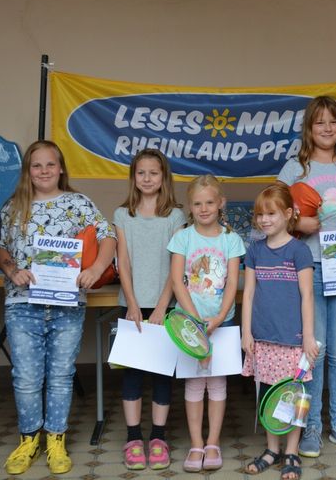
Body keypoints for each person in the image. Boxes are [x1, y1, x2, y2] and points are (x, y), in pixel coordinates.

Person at [0, 140, 116, 475]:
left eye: (50, 164)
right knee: (27, 377)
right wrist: (11, 270)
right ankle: (29, 439)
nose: (44, 171)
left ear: (61, 168)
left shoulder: (78, 203)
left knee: (61, 375)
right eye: (36, 165)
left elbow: (108, 235)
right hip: (22, 303)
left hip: (67, 304)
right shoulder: (13, 206)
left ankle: (56, 439)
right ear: (27, 171)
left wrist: (93, 269)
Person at [277, 95, 336, 457]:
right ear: (309, 129)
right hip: (307, 267)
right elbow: (273, 211)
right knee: (314, 349)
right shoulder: (293, 169)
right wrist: (298, 221)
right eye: (319, 122)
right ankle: (311, 425)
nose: (327, 128)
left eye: (333, 121)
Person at [113, 149, 185, 470]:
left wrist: (160, 308)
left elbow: (176, 265)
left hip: (163, 307)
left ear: (163, 177)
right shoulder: (122, 214)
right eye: (141, 173)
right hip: (131, 308)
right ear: (134, 177)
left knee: (160, 375)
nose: (147, 179)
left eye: (153, 173)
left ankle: (158, 437)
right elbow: (123, 262)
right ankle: (132, 437)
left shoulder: (175, 216)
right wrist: (131, 303)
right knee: (131, 374)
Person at [167, 175, 245, 472]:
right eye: (197, 203)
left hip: (221, 325)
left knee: (217, 383)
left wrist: (216, 319)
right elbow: (177, 281)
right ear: (190, 206)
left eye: (209, 202)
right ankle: (196, 443)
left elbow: (232, 285)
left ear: (220, 203)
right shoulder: (183, 237)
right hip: (188, 326)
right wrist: (196, 322)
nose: (203, 209)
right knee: (194, 384)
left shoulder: (231, 240)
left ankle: (213, 441)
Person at [241, 184, 318, 480]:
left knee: (294, 396)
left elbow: (307, 295)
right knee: (268, 396)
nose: (264, 220)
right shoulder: (255, 251)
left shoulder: (299, 251)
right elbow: (247, 294)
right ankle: (272, 449)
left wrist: (308, 336)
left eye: (271, 213)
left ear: (288, 214)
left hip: (294, 340)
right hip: (263, 339)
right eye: (260, 214)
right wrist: (246, 333)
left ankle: (292, 452)